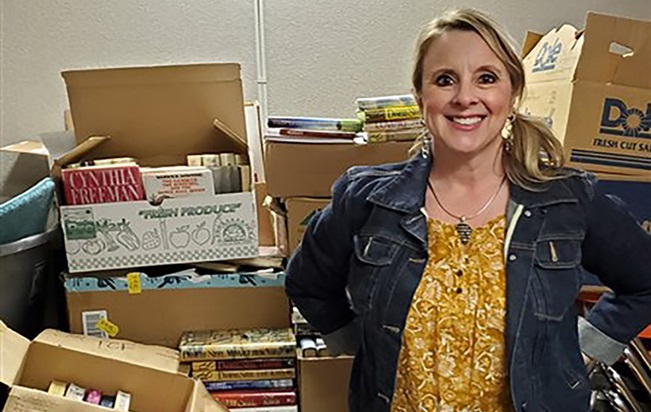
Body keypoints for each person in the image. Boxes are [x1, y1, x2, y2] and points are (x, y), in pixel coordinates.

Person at [285, 8, 651, 412]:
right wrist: (363, 343)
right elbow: (307, 283)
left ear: (512, 93)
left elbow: (645, 281)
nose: (464, 97)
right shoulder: (367, 199)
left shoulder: (569, 200)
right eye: (445, 80)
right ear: (420, 97)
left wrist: (579, 353)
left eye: (486, 78)